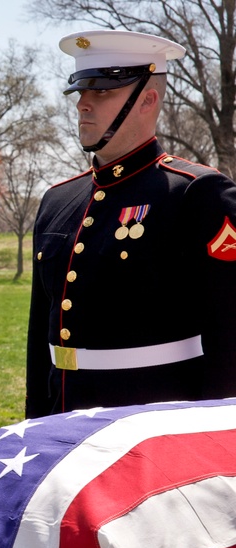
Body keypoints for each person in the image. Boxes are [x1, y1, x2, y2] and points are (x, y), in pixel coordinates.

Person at [26, 29, 236, 418]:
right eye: (81, 92)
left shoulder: (196, 194)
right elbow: (39, 344)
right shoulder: (58, 200)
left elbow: (230, 341)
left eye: (102, 91)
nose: (83, 104)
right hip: (62, 420)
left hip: (154, 427)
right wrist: (35, 425)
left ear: (148, 99)